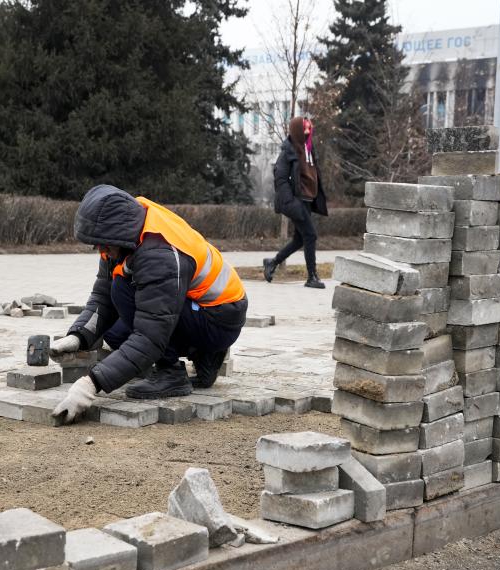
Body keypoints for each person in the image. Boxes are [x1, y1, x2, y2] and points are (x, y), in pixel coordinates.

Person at [51, 185, 248, 423]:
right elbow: (103, 296)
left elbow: (150, 335)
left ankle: (171, 372)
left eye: (101, 244)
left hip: (219, 319)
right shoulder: (121, 231)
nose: (100, 250)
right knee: (114, 333)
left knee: (124, 290)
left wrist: (90, 385)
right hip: (199, 309)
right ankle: (205, 356)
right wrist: (78, 336)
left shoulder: (158, 252)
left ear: (114, 232)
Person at [262, 116, 328, 289]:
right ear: (297, 131)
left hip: (307, 201)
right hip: (296, 203)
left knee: (300, 239)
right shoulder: (288, 152)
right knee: (311, 235)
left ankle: (272, 262)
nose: (308, 131)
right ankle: (312, 276)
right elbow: (281, 179)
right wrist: (291, 203)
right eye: (305, 129)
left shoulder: (309, 150)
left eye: (309, 128)